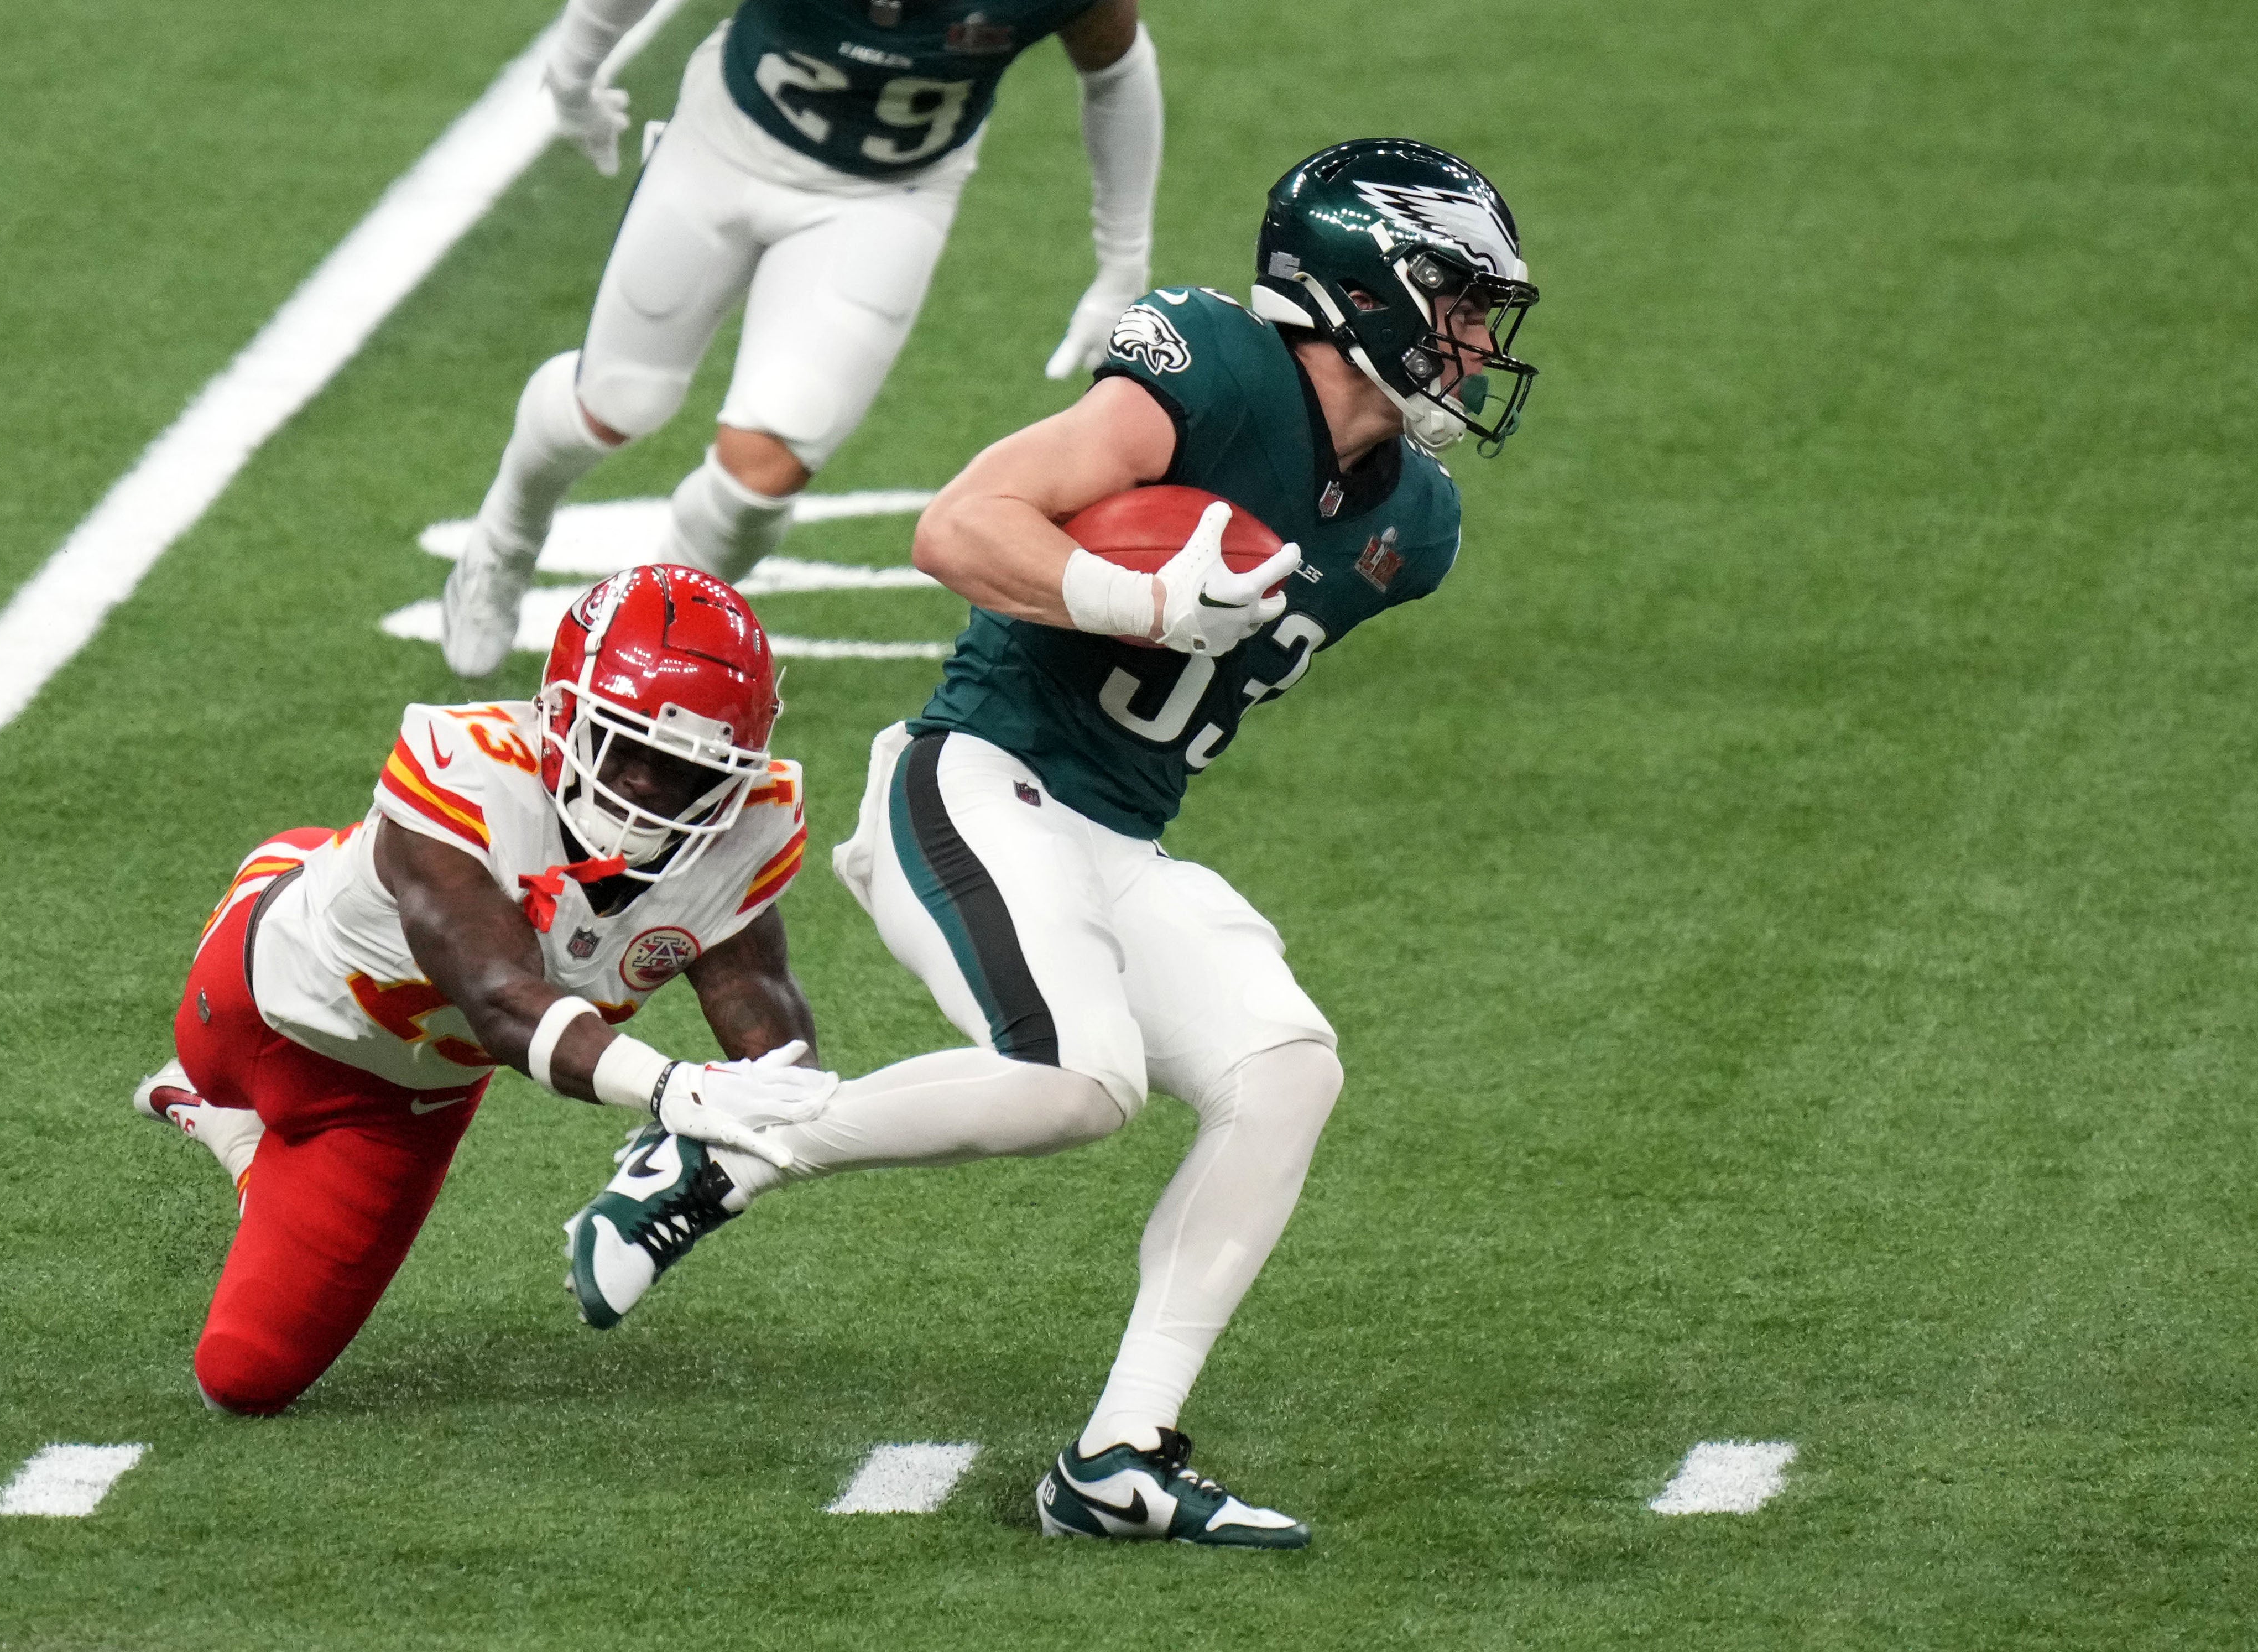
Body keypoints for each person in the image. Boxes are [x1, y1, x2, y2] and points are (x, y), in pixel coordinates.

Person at [556, 139, 1540, 1545]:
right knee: (1081, 1079)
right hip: (974, 776)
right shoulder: (1214, 370)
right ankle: (723, 1146)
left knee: (1285, 1070)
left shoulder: (1414, 526)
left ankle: (1118, 1458)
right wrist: (1136, 601)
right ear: (1362, 291)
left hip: (1118, 834)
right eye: (1459, 302)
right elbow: (955, 527)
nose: (1479, 343)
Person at [135, 565, 836, 1414]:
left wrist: (777, 1102)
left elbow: (759, 1007)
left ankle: (243, 1144)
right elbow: (501, 1000)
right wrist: (669, 1088)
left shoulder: (746, 826)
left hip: (406, 1102)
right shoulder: (469, 770)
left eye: (688, 767)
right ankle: (292, 871)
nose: (649, 787)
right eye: (626, 746)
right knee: (221, 1059)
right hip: (267, 1008)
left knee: (244, 1378)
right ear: (562, 713)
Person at [440, 0, 1165, 677]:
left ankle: (645, 641)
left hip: (886, 197)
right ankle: (504, 539)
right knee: (614, 402)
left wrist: (1122, 263)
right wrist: (573, 75)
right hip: (722, 147)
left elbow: (1115, 69)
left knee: (763, 476)